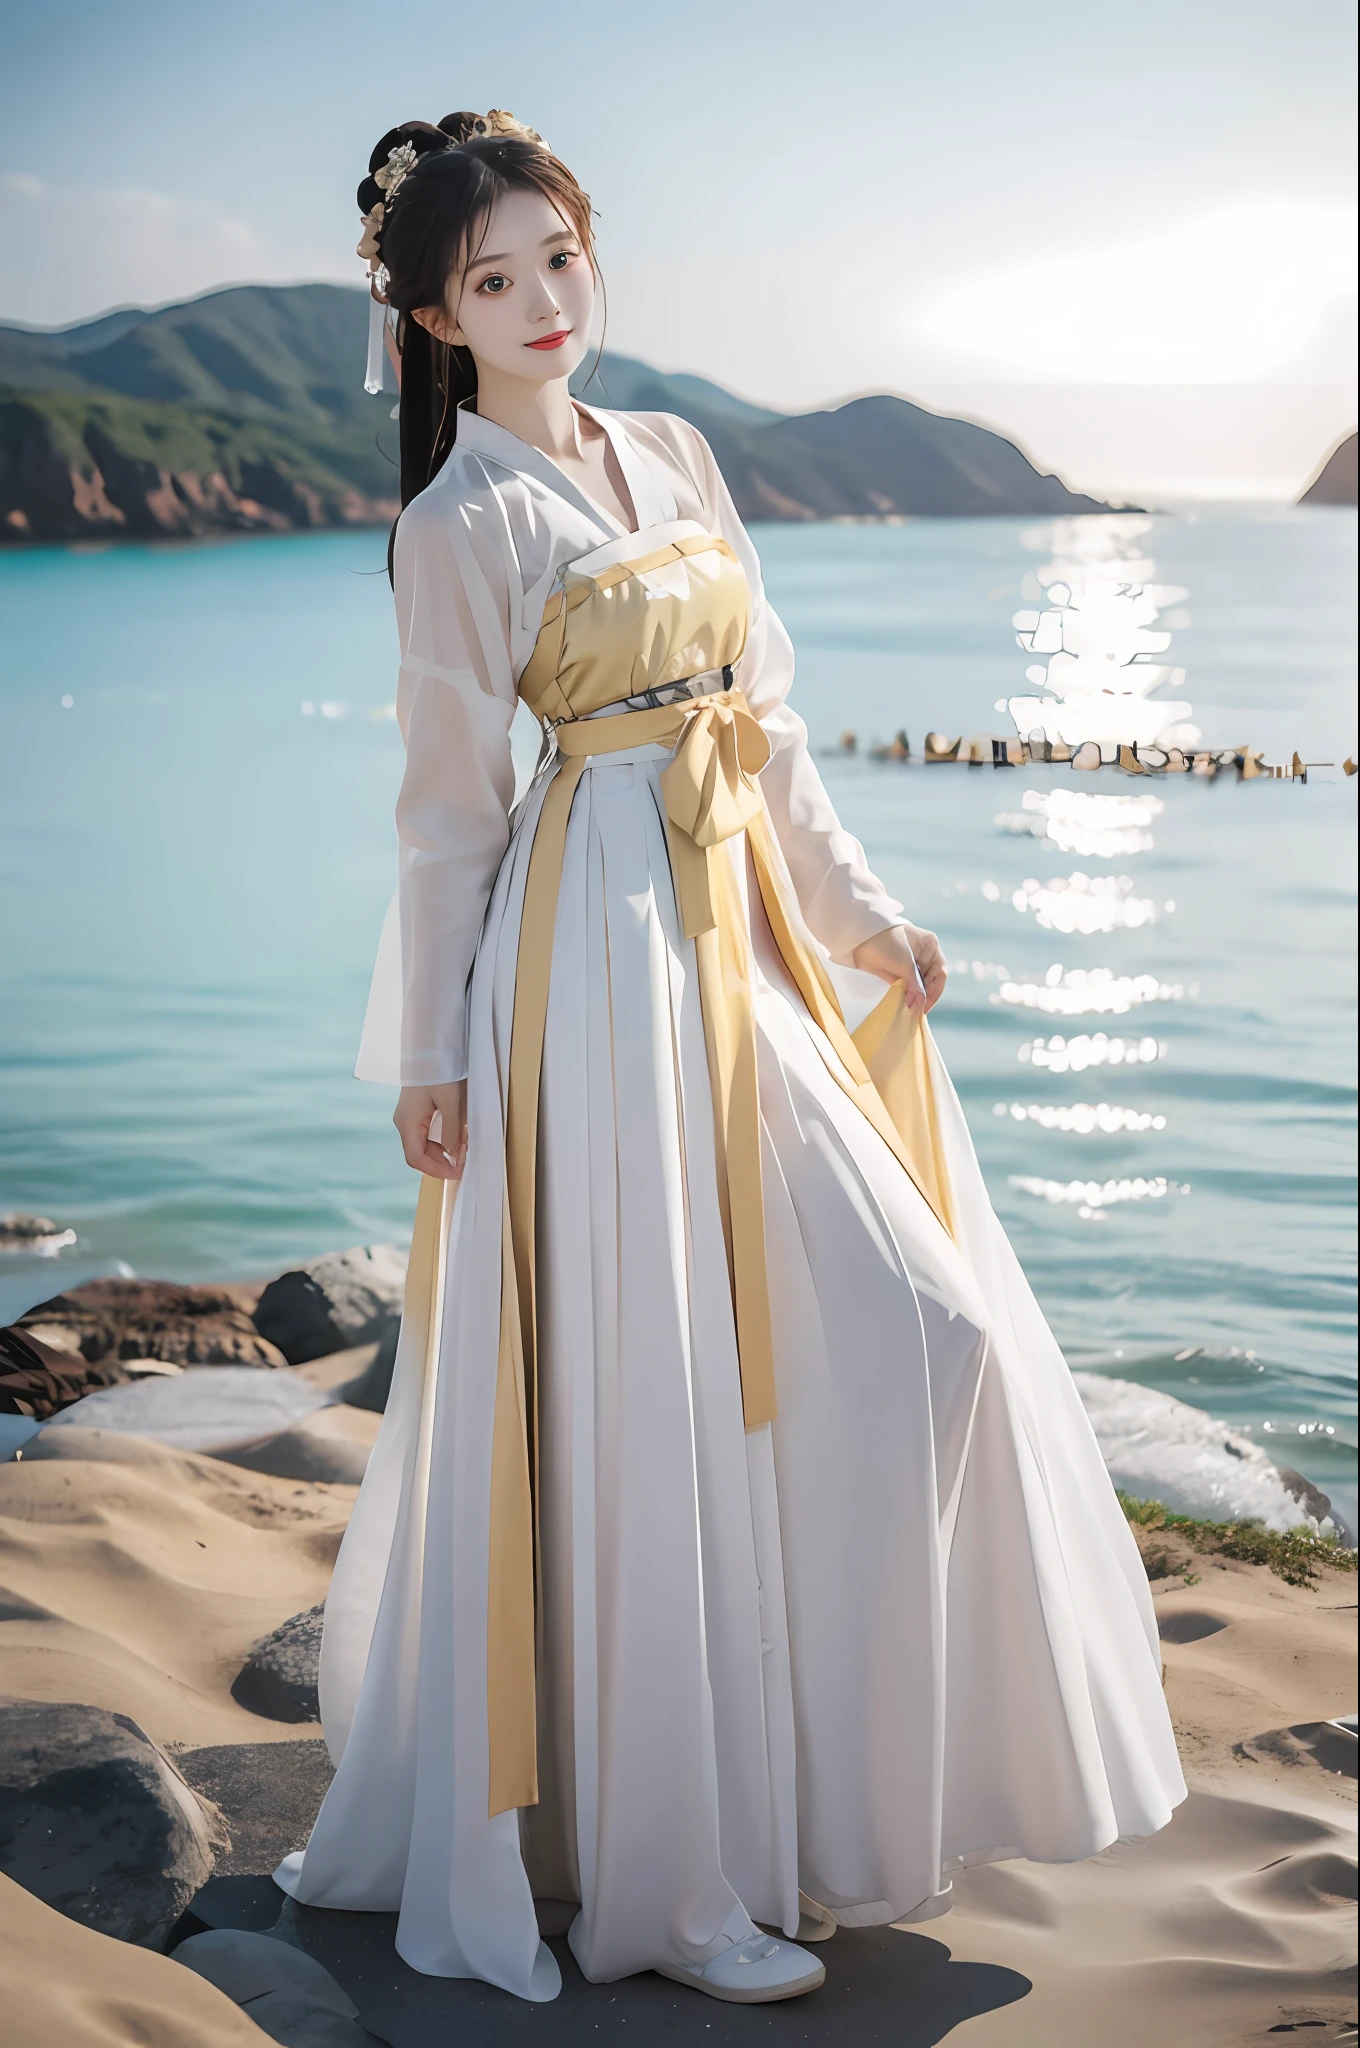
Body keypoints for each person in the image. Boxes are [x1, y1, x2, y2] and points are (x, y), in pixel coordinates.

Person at [275, 108, 1186, 2007]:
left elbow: (766, 727)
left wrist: (859, 916)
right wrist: (430, 1053)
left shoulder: (674, 452)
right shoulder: (454, 524)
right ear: (434, 320)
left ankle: (804, 1815)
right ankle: (668, 1893)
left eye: (558, 257)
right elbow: (446, 813)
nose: (540, 301)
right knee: (654, 1389)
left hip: (737, 926)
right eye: (491, 281)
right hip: (588, 962)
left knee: (915, 1325)